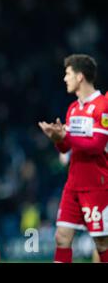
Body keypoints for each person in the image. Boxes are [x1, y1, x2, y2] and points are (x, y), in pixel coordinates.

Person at [39, 54, 108, 263]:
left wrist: (65, 136)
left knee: (102, 243)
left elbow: (96, 145)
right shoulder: (73, 109)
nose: (64, 78)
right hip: (73, 185)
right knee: (61, 238)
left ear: (80, 77)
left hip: (97, 185)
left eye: (68, 74)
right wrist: (56, 139)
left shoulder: (103, 106)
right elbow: (66, 148)